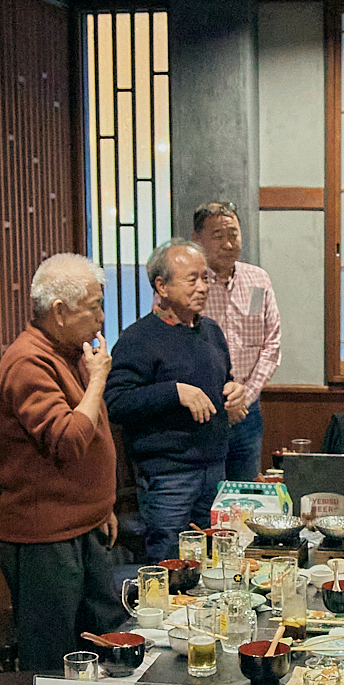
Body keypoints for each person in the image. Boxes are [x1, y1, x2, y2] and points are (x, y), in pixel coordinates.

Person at [0, 254, 124, 671]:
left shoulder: (68, 352)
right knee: (53, 661)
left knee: (101, 643)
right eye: (94, 307)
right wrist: (98, 379)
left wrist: (103, 506)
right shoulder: (28, 361)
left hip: (83, 525)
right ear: (60, 312)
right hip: (45, 538)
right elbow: (68, 440)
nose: (102, 318)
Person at [106, 240, 239, 562]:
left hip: (215, 466)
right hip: (169, 476)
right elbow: (116, 402)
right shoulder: (138, 338)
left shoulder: (211, 331)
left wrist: (234, 392)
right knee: (170, 566)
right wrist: (174, 391)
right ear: (161, 286)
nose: (203, 287)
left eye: (205, 278)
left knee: (213, 563)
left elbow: (224, 380)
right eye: (191, 279)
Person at [193, 201, 281, 483]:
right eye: (218, 236)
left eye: (234, 235)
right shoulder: (188, 283)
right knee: (208, 499)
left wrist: (246, 395)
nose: (228, 244)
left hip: (248, 409)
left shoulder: (257, 279)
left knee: (245, 498)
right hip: (202, 411)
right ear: (198, 239)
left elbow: (272, 345)